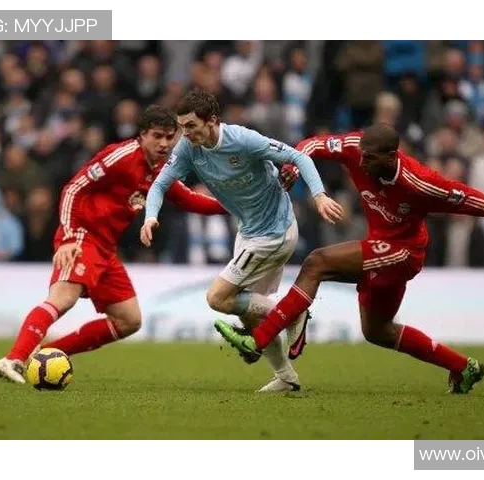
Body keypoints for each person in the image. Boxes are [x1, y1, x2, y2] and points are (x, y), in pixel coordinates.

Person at [214, 123, 484, 394]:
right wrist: (292, 166)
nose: (361, 163)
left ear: (390, 156)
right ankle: (463, 367)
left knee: (316, 262)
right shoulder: (356, 147)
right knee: (377, 331)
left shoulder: (420, 183)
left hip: (404, 253)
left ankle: (259, 339)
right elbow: (312, 145)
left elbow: (474, 200)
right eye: (361, 155)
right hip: (377, 247)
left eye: (369, 158)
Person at [0, 105, 231, 384]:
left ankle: (46, 353)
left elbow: (188, 199)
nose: (164, 143)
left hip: (105, 248)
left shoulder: (160, 170)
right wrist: (68, 237)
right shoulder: (122, 156)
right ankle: (14, 358)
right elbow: (73, 188)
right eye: (157, 136)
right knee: (63, 299)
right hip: (82, 236)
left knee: (128, 320)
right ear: (143, 134)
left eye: (170, 137)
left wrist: (235, 205)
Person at [140, 89, 344, 392]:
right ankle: (286, 376)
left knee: (217, 298)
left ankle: (292, 313)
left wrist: (319, 195)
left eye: (191, 125)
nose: (185, 133)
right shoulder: (188, 148)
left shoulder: (243, 139)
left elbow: (298, 156)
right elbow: (159, 185)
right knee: (247, 312)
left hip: (275, 231)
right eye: (182, 127)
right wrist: (150, 217)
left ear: (212, 121)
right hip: (248, 231)